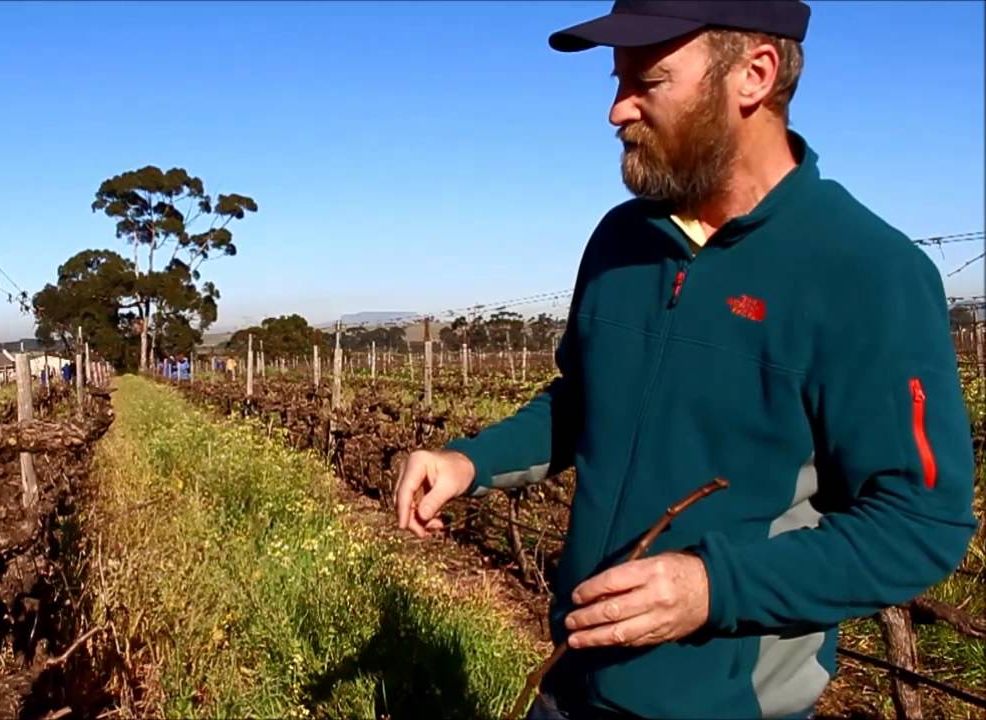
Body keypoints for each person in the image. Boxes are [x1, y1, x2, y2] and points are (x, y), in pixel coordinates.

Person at [393, 2, 977, 718]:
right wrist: (469, 463)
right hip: (569, 682)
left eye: (649, 80)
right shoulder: (621, 240)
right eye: (617, 81)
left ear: (754, 76)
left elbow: (921, 524)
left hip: (724, 703)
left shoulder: (865, 272)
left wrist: (711, 589)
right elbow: (583, 401)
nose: (616, 110)